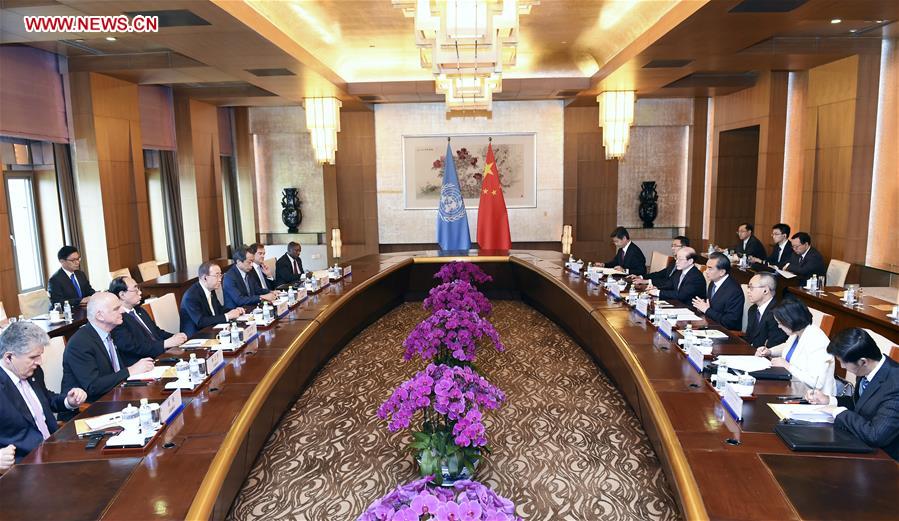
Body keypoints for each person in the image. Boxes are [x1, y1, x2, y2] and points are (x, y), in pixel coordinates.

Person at [0, 322, 87, 464]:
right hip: (24, 463)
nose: (39, 362)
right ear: (9, 357)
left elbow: (46, 399)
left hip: (54, 448)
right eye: (33, 357)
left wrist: (68, 401)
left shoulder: (33, 371)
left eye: (40, 355)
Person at [806, 328, 899, 460]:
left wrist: (839, 412)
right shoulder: (866, 370)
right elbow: (861, 404)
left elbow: (876, 436)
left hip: (886, 459)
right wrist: (829, 400)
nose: (842, 367)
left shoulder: (895, 384)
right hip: (859, 441)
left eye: (843, 362)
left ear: (863, 361)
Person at [61, 293, 155, 404]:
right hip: (90, 407)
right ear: (100, 316)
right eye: (116, 309)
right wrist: (130, 370)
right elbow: (93, 386)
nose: (122, 311)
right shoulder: (79, 344)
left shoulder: (111, 332)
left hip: (116, 395)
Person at [755, 298, 835, 394]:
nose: (779, 327)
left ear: (791, 320)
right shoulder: (798, 332)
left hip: (813, 397)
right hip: (792, 388)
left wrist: (787, 366)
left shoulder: (817, 341)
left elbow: (816, 383)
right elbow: (788, 347)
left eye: (780, 323)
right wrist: (770, 351)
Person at [109, 276, 187, 367]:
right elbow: (134, 346)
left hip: (161, 355)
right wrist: (165, 344)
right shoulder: (117, 319)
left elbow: (156, 332)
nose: (140, 292)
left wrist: (175, 337)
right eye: (135, 290)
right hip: (143, 363)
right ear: (122, 295)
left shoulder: (139, 310)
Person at [179, 262, 245, 337]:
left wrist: (234, 311)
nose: (220, 279)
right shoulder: (191, 296)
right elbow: (201, 321)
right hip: (196, 336)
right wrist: (227, 316)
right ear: (205, 278)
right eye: (216, 276)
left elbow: (219, 310)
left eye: (220, 275)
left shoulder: (211, 289)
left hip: (211, 330)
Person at [692, 252, 744, 330]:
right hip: (711, 326)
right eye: (706, 267)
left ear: (722, 272)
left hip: (727, 333)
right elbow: (712, 309)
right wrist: (702, 308)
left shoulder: (734, 291)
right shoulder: (713, 282)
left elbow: (729, 322)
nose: (706, 271)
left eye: (710, 268)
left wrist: (706, 310)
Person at [743, 273, 788, 348]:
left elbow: (774, 345)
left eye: (751, 288)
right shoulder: (752, 309)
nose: (748, 291)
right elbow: (749, 338)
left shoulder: (777, 313)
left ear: (765, 291)